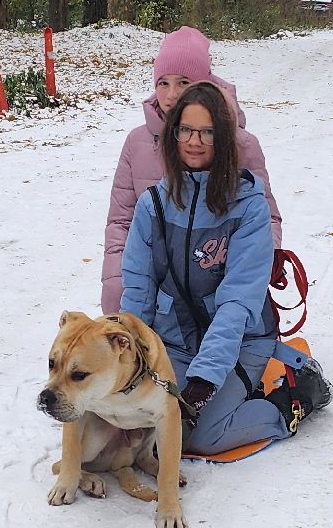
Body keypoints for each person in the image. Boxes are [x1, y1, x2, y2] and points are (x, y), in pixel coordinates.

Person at [119, 82, 330, 455]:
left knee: (199, 436)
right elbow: (138, 289)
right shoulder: (153, 205)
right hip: (177, 341)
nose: (194, 141)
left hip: (241, 340)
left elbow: (237, 302)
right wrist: (129, 357)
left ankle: (293, 402)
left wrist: (204, 379)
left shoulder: (248, 207)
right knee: (150, 426)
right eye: (186, 129)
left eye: (207, 132)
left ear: (223, 138)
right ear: (173, 134)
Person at [101, 26, 281, 317]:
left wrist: (248, 276)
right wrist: (116, 290)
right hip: (156, 294)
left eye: (183, 82)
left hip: (218, 292)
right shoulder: (137, 143)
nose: (171, 96)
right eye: (163, 83)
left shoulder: (240, 144)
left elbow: (266, 219)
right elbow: (121, 221)